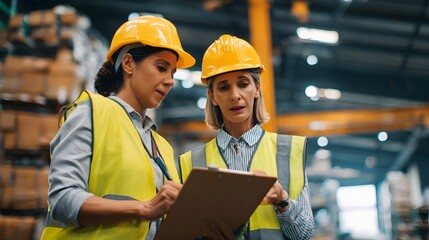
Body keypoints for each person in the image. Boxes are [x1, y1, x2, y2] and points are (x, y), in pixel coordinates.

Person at [41, 15, 195, 239]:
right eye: (161, 68)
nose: (170, 80)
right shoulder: (91, 113)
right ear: (129, 63)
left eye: (173, 73)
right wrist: (143, 209)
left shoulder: (162, 146)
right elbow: (62, 199)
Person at [179, 34, 314, 239]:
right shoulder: (191, 163)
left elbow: (303, 235)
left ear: (257, 88)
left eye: (243, 84)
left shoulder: (290, 150)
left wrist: (282, 199)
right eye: (224, 87)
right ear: (212, 96)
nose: (235, 95)